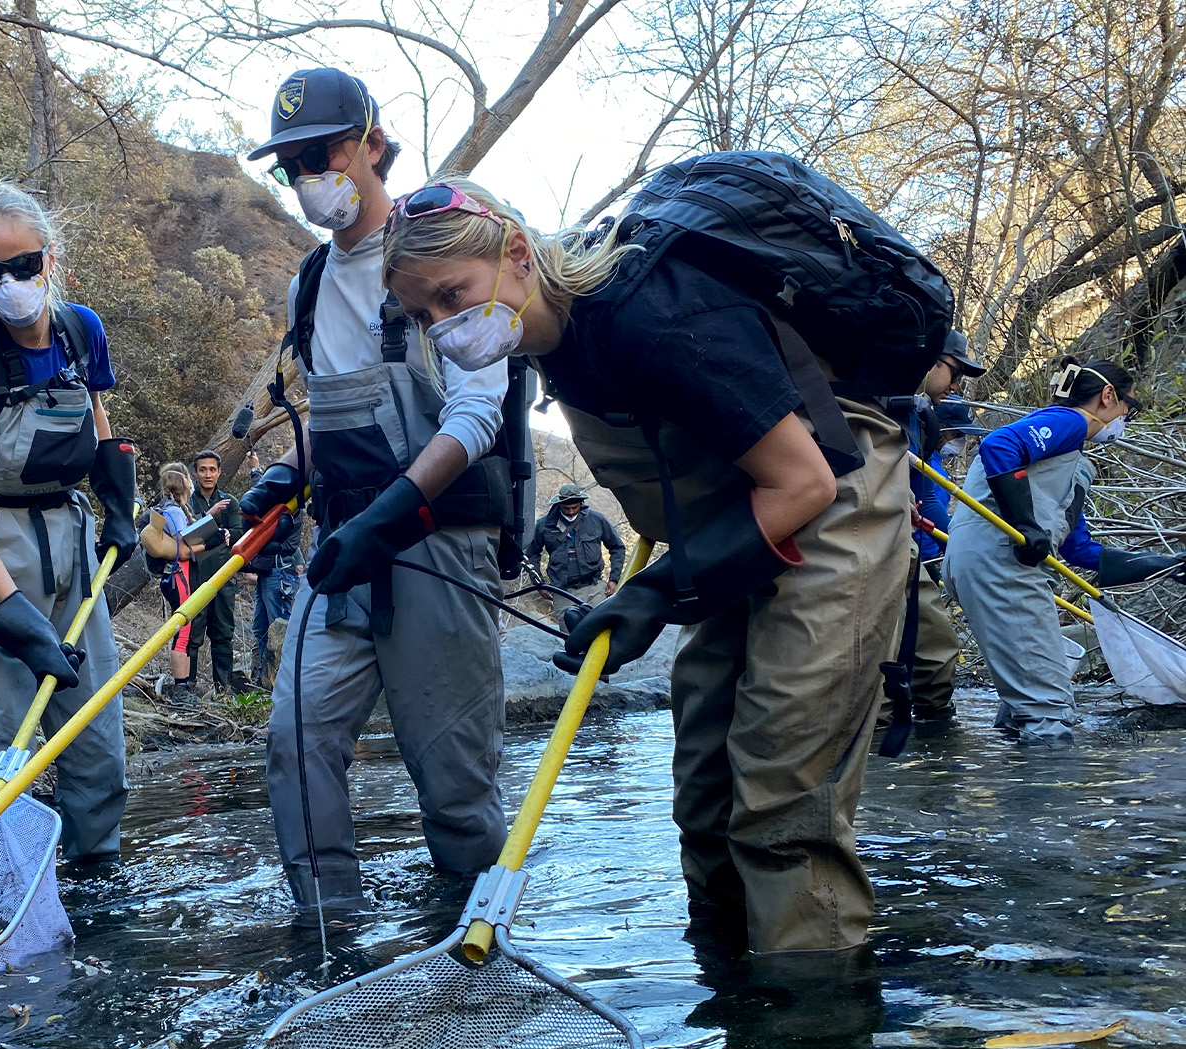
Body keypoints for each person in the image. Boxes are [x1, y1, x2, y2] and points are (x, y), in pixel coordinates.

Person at [383, 177, 908, 956]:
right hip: (732, 531)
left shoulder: (648, 312)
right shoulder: (553, 348)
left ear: (518, 255)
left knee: (780, 797)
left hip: (828, 500)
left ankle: (811, 1035)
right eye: (422, 314)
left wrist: (653, 593)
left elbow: (804, 481)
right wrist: (641, 595)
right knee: (704, 797)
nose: (442, 325)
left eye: (450, 294)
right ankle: (731, 997)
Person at [239, 68, 513, 907]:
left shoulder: (442, 254)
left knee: (454, 782)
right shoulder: (309, 282)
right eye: (288, 167)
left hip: (439, 549)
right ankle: (325, 936)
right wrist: (294, 471)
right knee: (294, 736)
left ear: (370, 145)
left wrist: (393, 512)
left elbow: (478, 412)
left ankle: (475, 956)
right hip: (343, 552)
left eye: (318, 155)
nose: (304, 180)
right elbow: (331, 405)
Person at [0, 180, 134, 863]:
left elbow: (96, 417)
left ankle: (100, 883)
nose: (10, 281)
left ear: (51, 258)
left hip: (68, 539)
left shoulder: (80, 330)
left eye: (23, 264)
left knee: (94, 736)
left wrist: (118, 504)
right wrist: (17, 617)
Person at [943, 357, 1176, 742]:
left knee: (1026, 700)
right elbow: (999, 444)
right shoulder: (1070, 421)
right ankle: (1051, 792)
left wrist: (1164, 565)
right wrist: (1025, 524)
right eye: (1127, 409)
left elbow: (1079, 549)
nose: (1124, 421)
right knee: (1049, 708)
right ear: (1107, 396)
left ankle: (1021, 767)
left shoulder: (1072, 461)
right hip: (1002, 562)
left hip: (981, 562)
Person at [881, 330, 984, 731]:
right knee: (902, 646)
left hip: (909, 547)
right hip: (884, 543)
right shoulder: (880, 400)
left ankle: (930, 727)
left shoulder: (915, 414)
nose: (956, 385)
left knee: (934, 649)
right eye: (954, 372)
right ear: (928, 361)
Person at [142, 462, 205, 706]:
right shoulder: (176, 512)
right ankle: (180, 690)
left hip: (176, 576)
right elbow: (183, 549)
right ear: (185, 482)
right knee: (184, 629)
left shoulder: (167, 508)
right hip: (179, 574)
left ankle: (186, 684)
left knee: (184, 629)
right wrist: (210, 543)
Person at [184, 449, 245, 695]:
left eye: (212, 469)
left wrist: (229, 535)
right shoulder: (187, 501)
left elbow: (239, 533)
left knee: (222, 632)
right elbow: (184, 533)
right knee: (192, 631)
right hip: (194, 575)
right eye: (202, 469)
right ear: (195, 473)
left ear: (219, 472)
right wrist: (210, 522)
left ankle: (223, 688)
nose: (207, 474)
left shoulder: (230, 502)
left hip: (223, 576)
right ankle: (187, 686)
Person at [525, 482, 625, 620]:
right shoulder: (544, 525)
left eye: (574, 507)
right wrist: (539, 584)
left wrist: (614, 579)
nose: (571, 511)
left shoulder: (597, 520)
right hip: (562, 590)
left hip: (594, 587)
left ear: (581, 503)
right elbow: (531, 554)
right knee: (569, 635)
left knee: (599, 630)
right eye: (566, 508)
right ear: (559, 505)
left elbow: (617, 547)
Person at [244, 450, 300, 687]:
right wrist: (255, 469)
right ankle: (263, 679)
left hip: (280, 574)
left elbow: (267, 505)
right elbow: (262, 493)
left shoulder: (289, 509)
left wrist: (257, 471)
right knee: (260, 628)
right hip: (268, 574)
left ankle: (282, 680)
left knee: (279, 628)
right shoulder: (276, 504)